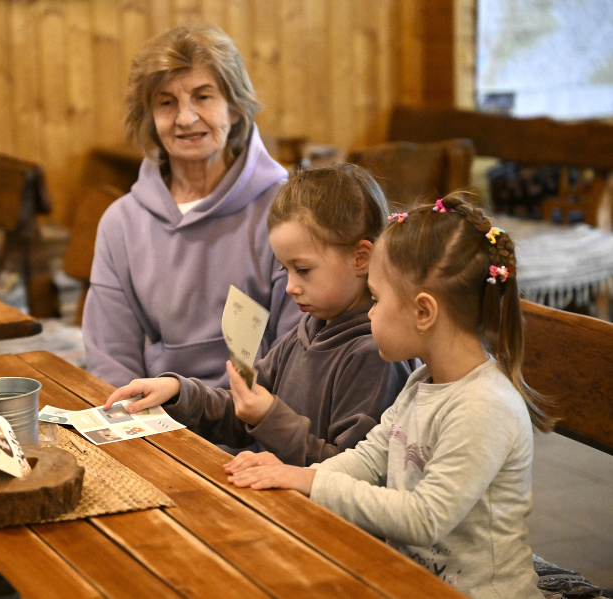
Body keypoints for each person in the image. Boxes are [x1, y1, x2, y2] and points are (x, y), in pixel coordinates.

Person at [226, 195, 556, 598]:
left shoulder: (484, 406)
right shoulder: (422, 382)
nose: (369, 314)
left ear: (423, 312)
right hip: (411, 582)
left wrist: (308, 480)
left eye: (378, 300)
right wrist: (287, 475)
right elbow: (369, 457)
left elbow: (424, 518)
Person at [103, 165, 418, 465]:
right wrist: (178, 393)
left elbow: (350, 472)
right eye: (285, 269)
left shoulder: (376, 355)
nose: (290, 287)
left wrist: (270, 418)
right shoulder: (307, 330)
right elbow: (242, 412)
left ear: (360, 258)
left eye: (303, 270)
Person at [82, 23, 301, 389]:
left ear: (234, 108)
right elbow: (110, 357)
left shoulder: (285, 211)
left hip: (258, 417)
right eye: (167, 102)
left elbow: (298, 350)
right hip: (156, 416)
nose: (185, 118)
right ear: (150, 118)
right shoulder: (121, 223)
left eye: (203, 97)